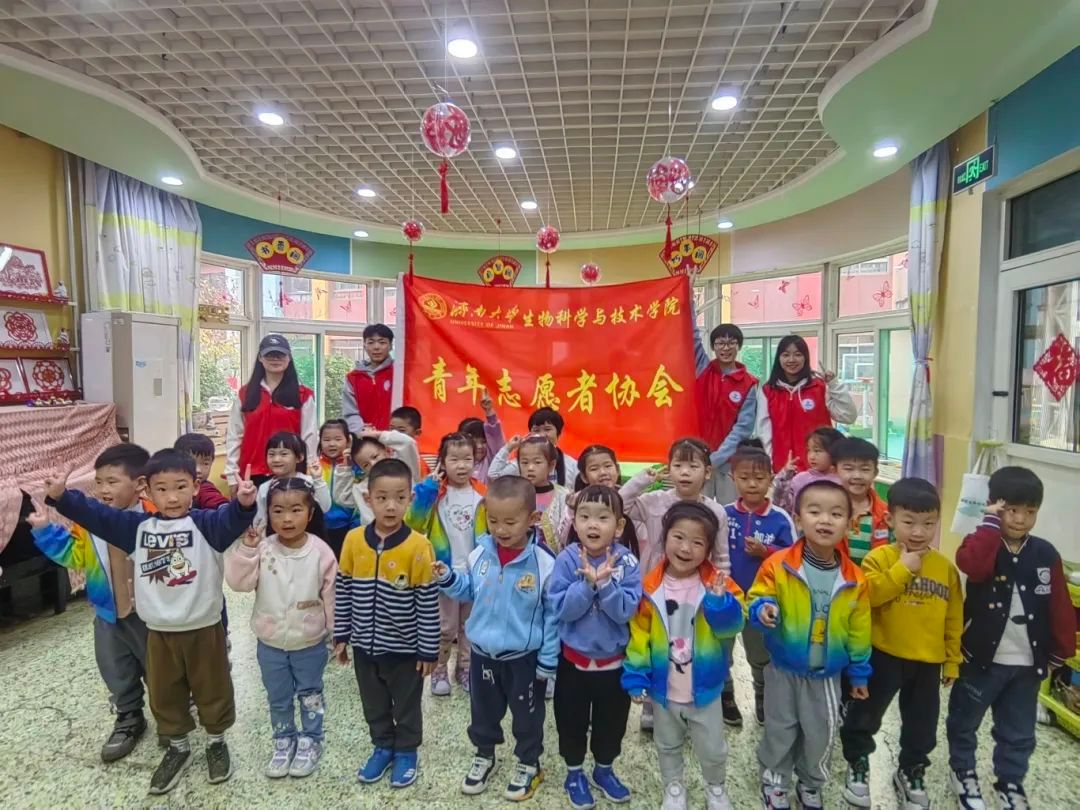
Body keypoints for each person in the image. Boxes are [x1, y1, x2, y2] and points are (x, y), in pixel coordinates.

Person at [41, 449, 258, 795]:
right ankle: (178, 747)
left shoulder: (207, 525)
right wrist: (63, 497)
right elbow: (98, 516)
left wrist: (244, 504)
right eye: (162, 488)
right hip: (159, 632)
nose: (172, 497)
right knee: (164, 692)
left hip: (204, 630)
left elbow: (231, 519)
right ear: (147, 489)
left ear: (195, 486)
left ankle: (216, 741)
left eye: (181, 487)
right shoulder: (137, 529)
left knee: (213, 688)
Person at [946, 467, 1076, 810]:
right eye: (1011, 510)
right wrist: (989, 523)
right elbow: (973, 566)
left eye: (1029, 511)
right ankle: (962, 772)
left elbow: (1060, 604)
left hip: (1027, 666)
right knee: (964, 721)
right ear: (994, 506)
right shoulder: (982, 544)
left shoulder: (1045, 553)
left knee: (1018, 732)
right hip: (980, 661)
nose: (1020, 519)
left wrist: (1061, 651)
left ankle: (1010, 782)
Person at [434, 475, 559, 802]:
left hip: (524, 659)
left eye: (510, 522)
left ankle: (529, 763)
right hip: (482, 654)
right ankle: (484, 754)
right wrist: (448, 579)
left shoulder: (545, 564)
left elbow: (552, 616)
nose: (500, 529)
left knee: (527, 716)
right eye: (492, 520)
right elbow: (469, 591)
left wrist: (548, 661)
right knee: (483, 711)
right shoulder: (480, 554)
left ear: (532, 519)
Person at [749, 479, 871, 810]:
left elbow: (860, 630)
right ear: (798, 519)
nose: (825, 520)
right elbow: (758, 596)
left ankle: (811, 782)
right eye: (814, 512)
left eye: (836, 514)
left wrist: (859, 673)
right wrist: (763, 609)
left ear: (850, 524)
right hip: (783, 670)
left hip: (827, 676)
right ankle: (775, 779)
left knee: (822, 732)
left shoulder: (855, 579)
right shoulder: (778, 565)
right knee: (780, 728)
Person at [840, 477, 962, 810]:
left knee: (922, 724)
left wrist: (952, 661)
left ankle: (911, 770)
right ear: (890, 519)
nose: (919, 532)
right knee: (864, 716)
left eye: (929, 524)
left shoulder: (945, 568)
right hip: (883, 655)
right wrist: (903, 570)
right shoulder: (878, 559)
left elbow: (953, 618)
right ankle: (857, 762)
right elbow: (868, 598)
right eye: (909, 522)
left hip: (928, 662)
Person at [29, 442, 151, 763]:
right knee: (115, 667)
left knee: (160, 666)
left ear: (139, 484)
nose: (102, 489)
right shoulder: (89, 523)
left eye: (112, 481)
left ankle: (172, 712)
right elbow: (74, 556)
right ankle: (128, 716)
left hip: (150, 615)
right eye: (98, 482)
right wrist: (45, 531)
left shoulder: (155, 517)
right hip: (108, 614)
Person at [622, 502, 746, 810]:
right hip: (664, 690)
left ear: (709, 549)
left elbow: (734, 625)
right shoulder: (649, 588)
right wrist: (636, 675)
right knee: (667, 744)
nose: (686, 548)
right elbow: (639, 635)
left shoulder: (718, 584)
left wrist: (720, 605)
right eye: (678, 537)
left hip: (705, 689)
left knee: (713, 747)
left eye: (697, 542)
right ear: (665, 538)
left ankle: (716, 788)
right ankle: (674, 786)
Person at [334, 458, 439, 789]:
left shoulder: (419, 546)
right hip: (365, 647)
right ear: (368, 498)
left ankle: (406, 750)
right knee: (374, 703)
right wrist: (342, 634)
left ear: (410, 499)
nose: (391, 506)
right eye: (382, 498)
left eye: (399, 497)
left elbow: (427, 602)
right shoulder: (353, 540)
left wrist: (428, 649)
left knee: (406, 705)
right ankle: (382, 746)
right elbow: (344, 589)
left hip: (405, 651)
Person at [224, 478, 337, 779]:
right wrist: (247, 549)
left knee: (311, 693)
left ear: (310, 514)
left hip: (310, 642)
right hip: (270, 642)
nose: (287, 519)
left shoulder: (321, 552)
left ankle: (311, 739)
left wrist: (337, 634)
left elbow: (332, 597)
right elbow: (238, 583)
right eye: (278, 511)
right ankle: (283, 739)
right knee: (278, 696)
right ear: (268, 513)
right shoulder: (263, 548)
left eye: (296, 510)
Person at [620, 437, 731, 733]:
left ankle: (691, 703)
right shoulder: (654, 501)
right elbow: (620, 505)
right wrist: (642, 480)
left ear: (707, 472)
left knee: (687, 646)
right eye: (678, 465)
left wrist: (722, 591)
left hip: (696, 592)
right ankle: (651, 706)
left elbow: (721, 557)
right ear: (668, 468)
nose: (684, 472)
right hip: (656, 589)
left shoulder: (716, 512)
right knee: (654, 644)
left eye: (693, 466)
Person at [547, 486, 642, 808]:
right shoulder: (567, 559)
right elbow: (562, 609)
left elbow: (625, 611)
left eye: (603, 518)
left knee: (611, 725)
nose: (592, 524)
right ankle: (574, 773)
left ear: (619, 525)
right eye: (584, 516)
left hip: (614, 666)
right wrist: (587, 584)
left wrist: (604, 582)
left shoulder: (627, 561)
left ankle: (604, 770)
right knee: (570, 722)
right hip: (573, 665)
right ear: (574, 522)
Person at [405, 432, 488, 697]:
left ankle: (465, 668)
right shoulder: (434, 493)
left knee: (470, 626)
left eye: (468, 459)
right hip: (443, 573)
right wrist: (427, 490)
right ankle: (439, 669)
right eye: (454, 459)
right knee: (445, 627)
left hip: (475, 574)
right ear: (442, 461)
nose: (462, 465)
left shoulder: (483, 494)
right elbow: (413, 522)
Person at [720, 445, 796, 727]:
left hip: (762, 601)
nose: (752, 484)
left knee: (760, 654)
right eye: (744, 478)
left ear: (771, 479)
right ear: (733, 479)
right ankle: (726, 696)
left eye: (760, 478)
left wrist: (767, 552)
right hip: (727, 599)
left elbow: (793, 558)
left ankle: (762, 696)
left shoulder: (780, 519)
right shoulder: (723, 514)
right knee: (721, 652)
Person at [225, 334, 317, 492]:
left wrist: (310, 470)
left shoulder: (303, 395)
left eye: (280, 354)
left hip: (290, 474)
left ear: (289, 358)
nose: (275, 359)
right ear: (260, 358)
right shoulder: (245, 394)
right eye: (269, 354)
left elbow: (309, 436)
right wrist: (231, 475)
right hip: (250, 475)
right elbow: (234, 436)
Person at [755, 335, 855, 473]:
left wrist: (833, 384)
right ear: (779, 358)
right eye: (786, 355)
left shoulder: (820, 387)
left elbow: (848, 416)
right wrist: (769, 467)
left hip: (819, 470)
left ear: (805, 358)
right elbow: (763, 433)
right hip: (784, 470)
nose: (791, 360)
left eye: (798, 354)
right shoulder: (768, 391)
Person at [693, 321, 759, 505]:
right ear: (713, 346)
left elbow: (743, 429)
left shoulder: (749, 384)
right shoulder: (702, 370)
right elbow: (693, 337)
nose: (726, 348)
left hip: (729, 463)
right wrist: (688, 306)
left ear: (739, 346)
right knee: (697, 510)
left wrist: (715, 459)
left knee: (730, 511)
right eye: (720, 343)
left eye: (731, 343)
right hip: (698, 459)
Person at [492, 433, 570, 552]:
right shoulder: (513, 494)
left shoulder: (563, 495)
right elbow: (493, 475)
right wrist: (508, 448)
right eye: (524, 463)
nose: (530, 468)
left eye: (537, 462)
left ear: (551, 465)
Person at [562, 444, 641, 557]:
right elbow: (563, 537)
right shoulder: (576, 501)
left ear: (618, 469)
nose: (603, 472)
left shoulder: (631, 497)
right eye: (594, 469)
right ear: (584, 477)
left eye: (608, 466)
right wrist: (571, 510)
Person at [253, 431, 331, 531]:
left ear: (299, 457)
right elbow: (260, 519)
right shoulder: (265, 488)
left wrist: (318, 479)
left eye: (284, 454)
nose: (276, 459)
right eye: (271, 454)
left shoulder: (308, 482)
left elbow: (324, 507)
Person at [831, 437, 889, 565]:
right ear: (834, 471)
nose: (857, 476)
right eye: (849, 469)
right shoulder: (825, 511)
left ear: (875, 472)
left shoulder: (887, 513)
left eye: (865, 469)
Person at [489, 407, 579, 486]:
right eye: (536, 430)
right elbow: (494, 476)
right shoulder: (523, 463)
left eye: (547, 429)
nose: (542, 435)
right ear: (530, 434)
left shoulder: (572, 465)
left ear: (558, 433)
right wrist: (508, 447)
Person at [350, 428, 422, 525]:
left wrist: (379, 435)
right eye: (365, 465)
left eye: (375, 456)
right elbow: (368, 519)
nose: (373, 464)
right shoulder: (361, 488)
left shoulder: (406, 466)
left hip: (416, 529)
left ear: (386, 450)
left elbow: (407, 443)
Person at [771, 426, 843, 516]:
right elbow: (780, 504)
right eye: (809, 450)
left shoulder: (842, 481)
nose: (811, 456)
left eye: (817, 451)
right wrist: (785, 474)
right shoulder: (800, 480)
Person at [317, 418, 360, 559]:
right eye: (326, 439)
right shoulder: (315, 467)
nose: (332, 444)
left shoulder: (355, 466)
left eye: (338, 439)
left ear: (348, 441)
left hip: (349, 526)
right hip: (321, 526)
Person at [342, 323, 395, 432]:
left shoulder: (399, 373)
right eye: (371, 342)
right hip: (364, 438)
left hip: (395, 437)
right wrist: (362, 431)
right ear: (364, 346)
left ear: (390, 346)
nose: (376, 347)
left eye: (382, 342)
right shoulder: (353, 378)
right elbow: (350, 413)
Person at [458, 386, 507, 483]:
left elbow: (495, 437)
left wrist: (489, 412)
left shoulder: (491, 460)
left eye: (483, 442)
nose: (479, 446)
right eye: (474, 442)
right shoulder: (456, 464)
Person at [175, 432, 228, 509]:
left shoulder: (204, 488)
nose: (198, 470)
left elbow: (215, 500)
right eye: (191, 463)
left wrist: (226, 508)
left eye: (206, 463)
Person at [389, 405, 432, 478]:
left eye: (401, 430)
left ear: (417, 433)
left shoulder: (419, 463)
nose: (394, 434)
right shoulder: (386, 454)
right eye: (391, 429)